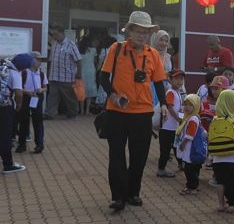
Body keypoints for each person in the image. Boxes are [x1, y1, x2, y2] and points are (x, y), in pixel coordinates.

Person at [98, 11, 168, 213]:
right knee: (117, 155)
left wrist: (163, 103)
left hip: (143, 112)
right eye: (138, 32)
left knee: (139, 156)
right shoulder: (116, 49)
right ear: (129, 31)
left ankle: (133, 192)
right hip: (117, 111)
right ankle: (118, 197)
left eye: (145, 33)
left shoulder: (153, 54)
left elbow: (159, 82)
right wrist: (114, 96)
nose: (141, 36)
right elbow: (103, 77)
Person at [209, 89, 234, 214]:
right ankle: (232, 204)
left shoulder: (215, 119)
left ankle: (221, 204)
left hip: (217, 156)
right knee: (232, 181)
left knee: (220, 181)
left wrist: (210, 156)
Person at [45, 28, 82, 120]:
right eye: (53, 35)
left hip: (67, 77)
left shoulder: (71, 44)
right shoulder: (54, 44)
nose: (54, 37)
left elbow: (79, 60)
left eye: (56, 34)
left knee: (69, 97)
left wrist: (79, 73)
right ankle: (50, 113)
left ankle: (73, 113)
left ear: (62, 33)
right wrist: (48, 72)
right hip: (54, 76)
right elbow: (50, 60)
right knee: (52, 96)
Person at [13, 53, 46, 154]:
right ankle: (22, 144)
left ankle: (39, 144)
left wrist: (42, 89)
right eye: (37, 60)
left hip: (37, 97)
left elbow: (45, 87)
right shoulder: (24, 72)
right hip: (26, 97)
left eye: (40, 60)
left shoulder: (41, 74)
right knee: (24, 121)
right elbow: (18, 88)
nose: (39, 63)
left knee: (38, 121)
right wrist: (27, 92)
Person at [158, 70, 186, 178]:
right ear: (170, 79)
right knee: (165, 150)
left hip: (174, 127)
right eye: (177, 78)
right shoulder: (170, 92)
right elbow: (169, 107)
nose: (179, 81)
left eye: (181, 79)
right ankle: (161, 169)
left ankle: (180, 164)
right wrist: (178, 118)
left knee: (176, 147)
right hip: (167, 127)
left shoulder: (178, 92)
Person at [176, 94, 204, 196]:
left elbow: (189, 135)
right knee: (191, 169)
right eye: (185, 104)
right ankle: (192, 186)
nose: (186, 107)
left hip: (190, 148)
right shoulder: (189, 117)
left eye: (190, 105)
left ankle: (192, 187)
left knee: (189, 169)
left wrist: (183, 144)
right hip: (189, 148)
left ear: (196, 106)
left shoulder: (193, 119)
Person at [78, 34, 100, 114]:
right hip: (90, 71)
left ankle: (81, 110)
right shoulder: (93, 50)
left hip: (82, 71)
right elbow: (95, 61)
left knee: (82, 91)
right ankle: (87, 111)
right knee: (89, 92)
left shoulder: (79, 50)